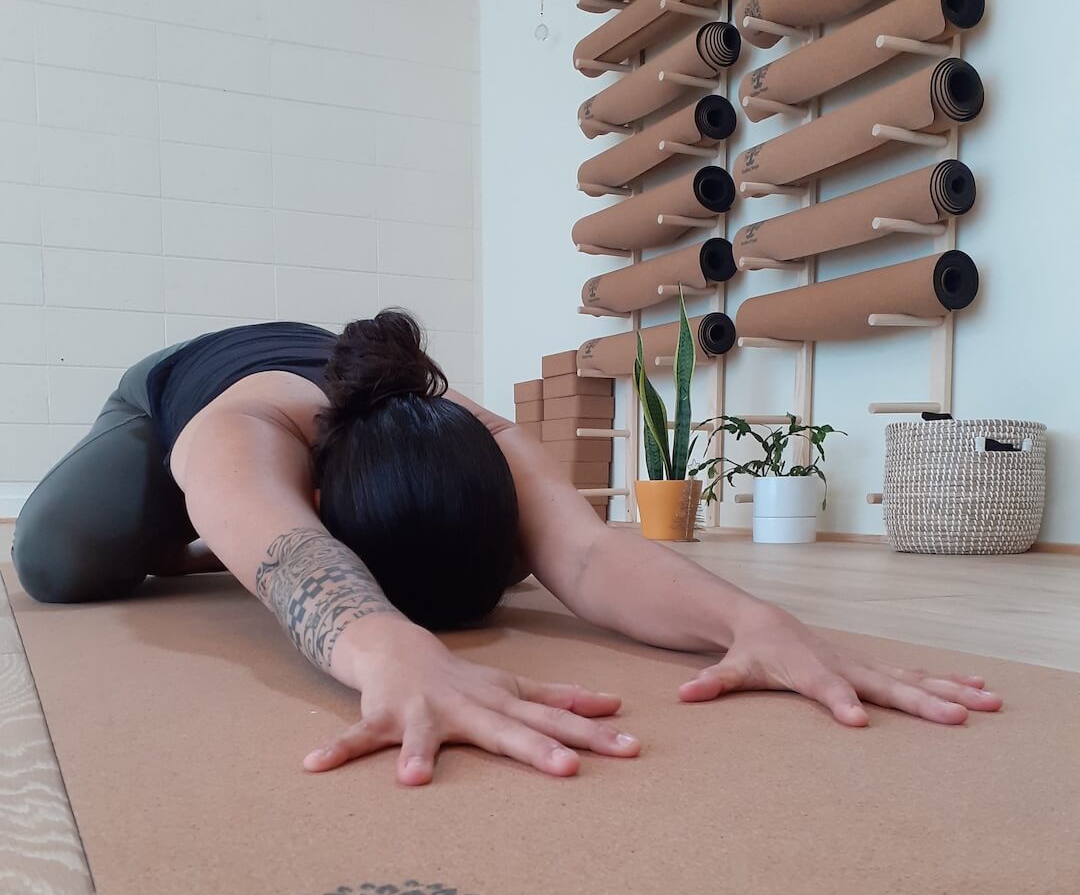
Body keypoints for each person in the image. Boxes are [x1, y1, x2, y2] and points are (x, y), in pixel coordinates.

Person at [12, 311, 1000, 784]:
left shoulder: (484, 437)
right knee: (61, 563)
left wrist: (753, 619)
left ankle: (219, 533)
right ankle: (188, 529)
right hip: (166, 401)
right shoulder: (248, 439)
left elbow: (586, 557)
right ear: (317, 500)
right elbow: (294, 561)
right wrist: (389, 650)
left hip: (320, 455)